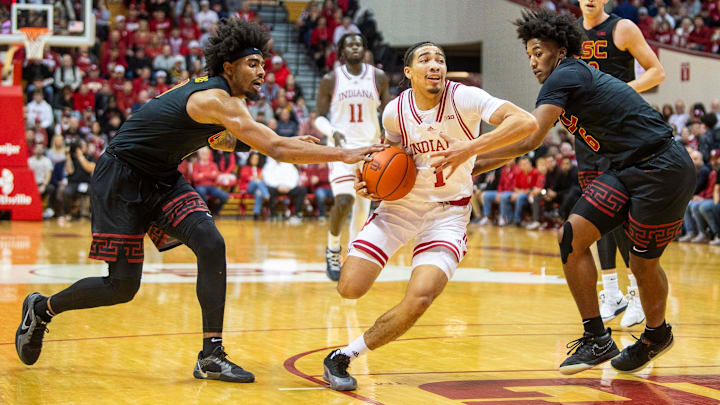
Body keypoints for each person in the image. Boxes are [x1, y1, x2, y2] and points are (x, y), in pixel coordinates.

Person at [15, 19, 385, 384]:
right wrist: (345, 154)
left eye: (263, 64)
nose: (262, 72)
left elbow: (218, 140)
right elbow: (273, 146)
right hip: (120, 178)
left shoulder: (220, 98)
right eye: (253, 65)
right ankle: (42, 308)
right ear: (228, 67)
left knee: (211, 242)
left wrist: (288, 144)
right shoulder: (217, 99)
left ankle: (211, 355)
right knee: (122, 287)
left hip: (161, 177)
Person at [433, 9, 694, 375]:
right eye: (528, 55)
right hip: (624, 167)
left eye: (538, 52)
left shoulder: (567, 73)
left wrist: (468, 151)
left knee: (641, 262)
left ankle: (656, 334)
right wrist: (473, 168)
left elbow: (531, 135)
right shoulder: (566, 80)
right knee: (572, 236)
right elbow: (525, 146)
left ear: (560, 49)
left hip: (662, 166)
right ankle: (597, 338)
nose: (533, 61)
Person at [320, 41, 537, 391]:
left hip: (447, 215)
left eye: (440, 59)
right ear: (409, 73)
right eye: (425, 59)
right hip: (400, 208)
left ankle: (345, 355)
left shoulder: (466, 97)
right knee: (349, 288)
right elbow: (387, 159)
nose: (435, 64)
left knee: (420, 297)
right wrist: (370, 184)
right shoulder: (394, 111)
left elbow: (524, 122)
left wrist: (470, 147)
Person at [577, 0, 666, 329]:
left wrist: (620, 93)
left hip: (620, 132)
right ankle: (611, 292)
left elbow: (657, 72)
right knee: (595, 214)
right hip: (586, 133)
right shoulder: (572, 34)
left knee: (622, 214)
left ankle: (637, 294)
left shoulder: (621, 28)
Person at [314, 33, 392, 281]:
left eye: (359, 42)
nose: (355, 46)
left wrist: (389, 140)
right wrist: (331, 131)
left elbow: (387, 113)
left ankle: (353, 253)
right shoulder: (331, 79)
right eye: (350, 44)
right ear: (341, 51)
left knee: (362, 210)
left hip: (370, 150)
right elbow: (318, 116)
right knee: (345, 200)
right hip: (342, 150)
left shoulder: (378, 77)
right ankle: (333, 249)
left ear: (364, 49)